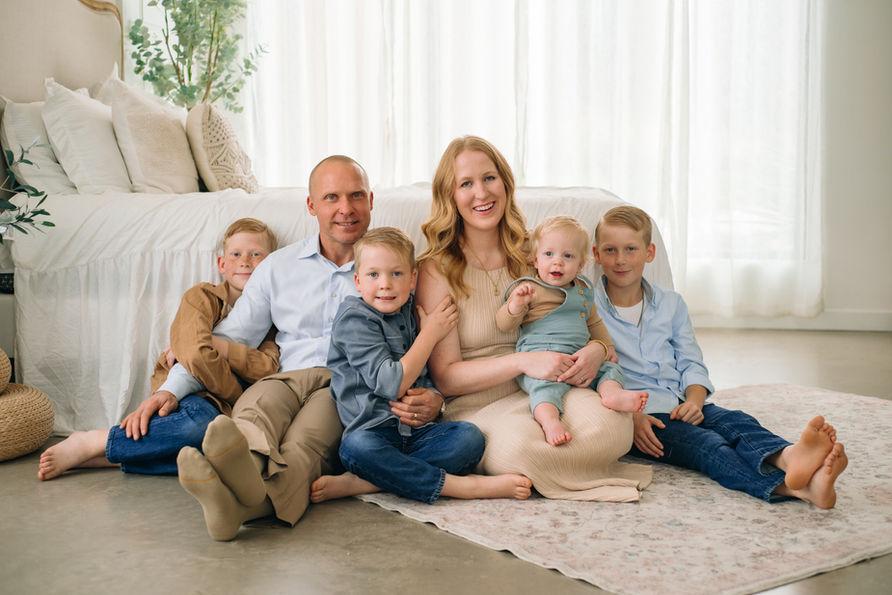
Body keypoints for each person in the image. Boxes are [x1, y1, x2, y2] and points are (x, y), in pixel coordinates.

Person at [167, 156, 447, 541]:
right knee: (255, 410)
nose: (345, 209)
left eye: (355, 196)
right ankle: (243, 486)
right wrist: (171, 388)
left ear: (370, 200)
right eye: (331, 197)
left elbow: (417, 345)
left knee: (306, 444)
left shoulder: (390, 269)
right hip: (284, 375)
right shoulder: (278, 266)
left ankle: (240, 505)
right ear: (312, 205)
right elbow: (232, 335)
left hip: (342, 389)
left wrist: (435, 397)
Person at [414, 135, 652, 502]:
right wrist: (524, 361)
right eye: (466, 183)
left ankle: (556, 466)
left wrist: (597, 350)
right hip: (480, 404)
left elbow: (586, 317)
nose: (481, 193)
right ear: (450, 195)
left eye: (489, 178)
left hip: (555, 388)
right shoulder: (436, 270)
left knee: (613, 425)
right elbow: (447, 378)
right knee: (519, 452)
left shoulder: (538, 253)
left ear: (506, 184)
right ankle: (559, 469)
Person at [592, 205, 848, 508]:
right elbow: (594, 377)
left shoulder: (671, 304)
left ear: (649, 253)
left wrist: (695, 401)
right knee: (710, 446)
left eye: (630, 249)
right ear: (596, 254)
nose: (620, 260)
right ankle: (796, 489)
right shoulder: (589, 310)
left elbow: (690, 360)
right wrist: (629, 418)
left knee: (738, 422)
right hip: (644, 420)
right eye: (610, 250)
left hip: (682, 403)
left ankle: (789, 457)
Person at [37, 218, 279, 480]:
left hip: (230, 409)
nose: (245, 261)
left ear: (272, 264)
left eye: (256, 254)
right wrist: (234, 383)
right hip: (193, 396)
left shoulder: (271, 319)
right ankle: (94, 441)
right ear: (222, 264)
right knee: (197, 428)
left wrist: (217, 345)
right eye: (236, 254)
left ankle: (114, 457)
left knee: (231, 456)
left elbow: (267, 369)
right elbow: (195, 350)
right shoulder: (202, 296)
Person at [312, 227, 532, 503]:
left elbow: (427, 375)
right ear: (357, 281)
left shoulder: (412, 311)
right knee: (355, 449)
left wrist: (435, 399)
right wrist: (430, 334)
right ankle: (462, 487)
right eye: (373, 274)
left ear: (413, 278)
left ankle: (371, 481)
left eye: (396, 273)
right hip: (373, 432)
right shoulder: (354, 318)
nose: (385, 284)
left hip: (418, 433)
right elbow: (390, 383)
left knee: (469, 438)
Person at [496, 215, 648, 446]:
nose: (557, 262)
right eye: (549, 254)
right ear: (535, 260)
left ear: (579, 265)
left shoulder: (583, 291)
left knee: (611, 370)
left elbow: (594, 323)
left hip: (580, 359)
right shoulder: (529, 289)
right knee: (544, 391)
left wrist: (607, 347)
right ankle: (549, 422)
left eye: (567, 256)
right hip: (542, 360)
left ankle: (611, 394)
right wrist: (515, 305)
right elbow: (504, 324)